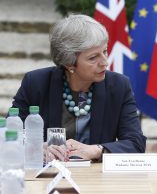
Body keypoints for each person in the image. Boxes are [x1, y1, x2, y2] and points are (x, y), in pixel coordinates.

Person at [12, 14, 146, 162]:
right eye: (93, 57)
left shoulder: (119, 86)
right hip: (48, 176)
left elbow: (136, 143)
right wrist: (36, 148)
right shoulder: (36, 83)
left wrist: (96, 150)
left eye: (105, 51)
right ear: (69, 63)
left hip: (97, 178)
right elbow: (11, 135)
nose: (105, 62)